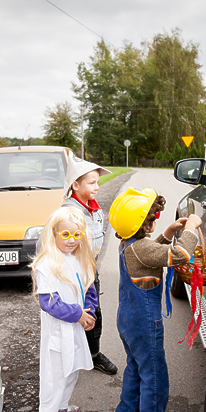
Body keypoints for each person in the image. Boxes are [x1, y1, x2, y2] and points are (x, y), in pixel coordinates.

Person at [108, 187, 201, 412]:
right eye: (152, 218)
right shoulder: (143, 249)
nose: (156, 219)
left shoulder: (128, 243)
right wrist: (191, 229)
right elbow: (180, 255)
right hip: (144, 323)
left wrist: (168, 233)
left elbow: (151, 250)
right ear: (141, 223)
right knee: (155, 376)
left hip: (126, 319)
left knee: (135, 369)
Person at [30, 207, 98, 412]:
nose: (72, 240)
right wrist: (78, 314)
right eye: (65, 235)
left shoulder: (79, 259)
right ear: (54, 234)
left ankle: (61, 406)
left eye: (77, 235)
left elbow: (89, 289)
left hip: (76, 327)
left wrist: (91, 313)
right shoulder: (46, 265)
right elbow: (49, 303)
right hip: (60, 329)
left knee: (72, 368)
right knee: (56, 372)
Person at [61, 153, 119, 375]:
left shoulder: (94, 209)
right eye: (92, 182)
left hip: (90, 271)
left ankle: (93, 356)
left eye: (98, 182)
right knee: (73, 315)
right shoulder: (68, 213)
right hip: (71, 274)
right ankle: (70, 358)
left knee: (94, 314)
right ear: (75, 185)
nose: (97, 186)